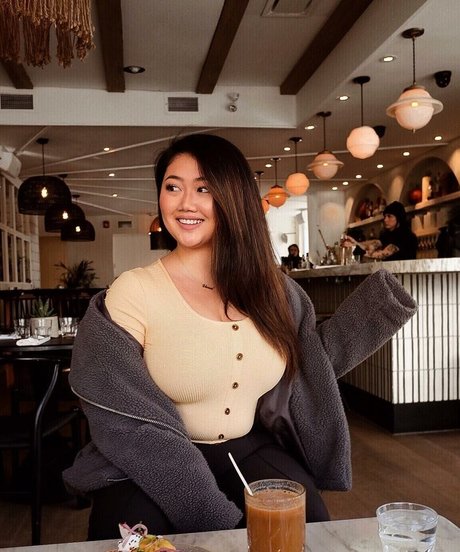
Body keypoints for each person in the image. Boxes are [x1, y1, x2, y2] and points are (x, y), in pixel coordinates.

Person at [63, 134, 417, 539]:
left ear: (234, 198)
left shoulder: (275, 291)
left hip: (244, 445)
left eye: (203, 189)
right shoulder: (133, 291)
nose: (185, 203)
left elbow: (306, 369)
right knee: (140, 541)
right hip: (144, 461)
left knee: (308, 524)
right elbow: (127, 422)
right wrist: (216, 518)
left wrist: (378, 312)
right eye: (173, 187)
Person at [342, 201, 418, 261]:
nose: (385, 220)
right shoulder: (387, 235)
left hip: (405, 274)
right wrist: (355, 243)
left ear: (399, 218)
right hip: (391, 273)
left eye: (389, 216)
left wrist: (356, 249)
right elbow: (370, 248)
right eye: (385, 216)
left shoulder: (405, 236)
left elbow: (382, 255)